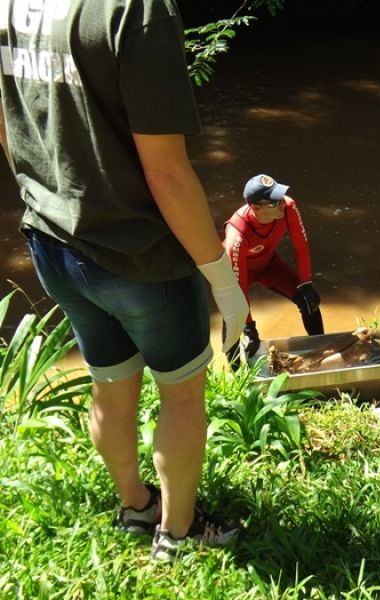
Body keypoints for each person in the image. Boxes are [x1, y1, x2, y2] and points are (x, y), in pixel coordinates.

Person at [0, 0, 249, 562]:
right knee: (181, 393)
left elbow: (8, 119)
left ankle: (136, 506)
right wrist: (222, 279)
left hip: (50, 241)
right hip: (140, 258)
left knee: (109, 381)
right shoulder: (138, 9)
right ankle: (177, 533)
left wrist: (43, 196)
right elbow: (166, 172)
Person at [222, 173, 324, 368]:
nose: (281, 204)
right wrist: (249, 327)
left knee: (308, 301)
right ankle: (235, 375)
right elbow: (238, 288)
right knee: (233, 318)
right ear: (256, 208)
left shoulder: (288, 207)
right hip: (236, 276)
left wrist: (306, 284)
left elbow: (301, 247)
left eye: (280, 196)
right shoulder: (238, 235)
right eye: (274, 202)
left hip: (269, 264)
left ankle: (322, 354)